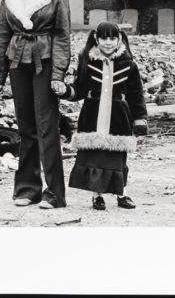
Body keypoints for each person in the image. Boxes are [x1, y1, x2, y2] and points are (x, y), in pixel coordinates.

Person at [0, 0, 71, 209]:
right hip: (17, 62)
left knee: (47, 126)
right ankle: (27, 189)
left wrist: (58, 74)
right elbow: (2, 35)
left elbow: (62, 35)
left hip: (45, 61)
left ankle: (54, 194)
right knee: (25, 126)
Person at [58, 21, 148, 210]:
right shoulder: (87, 61)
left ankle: (122, 194)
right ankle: (96, 196)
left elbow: (136, 95)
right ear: (96, 39)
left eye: (112, 38)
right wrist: (65, 90)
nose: (108, 42)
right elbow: (79, 89)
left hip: (119, 118)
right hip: (92, 115)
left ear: (119, 39)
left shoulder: (129, 64)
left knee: (118, 158)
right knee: (95, 157)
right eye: (104, 38)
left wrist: (140, 118)